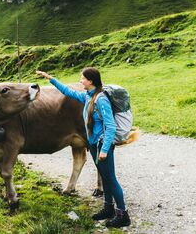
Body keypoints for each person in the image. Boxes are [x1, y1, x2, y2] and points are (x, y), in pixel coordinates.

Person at [36, 67, 131, 228]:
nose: (80, 81)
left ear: (91, 81)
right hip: (93, 144)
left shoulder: (101, 99)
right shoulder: (88, 96)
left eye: (83, 78)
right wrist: (50, 78)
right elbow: (67, 91)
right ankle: (108, 208)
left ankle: (123, 214)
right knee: (104, 175)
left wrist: (105, 149)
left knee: (111, 179)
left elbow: (111, 126)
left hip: (102, 144)